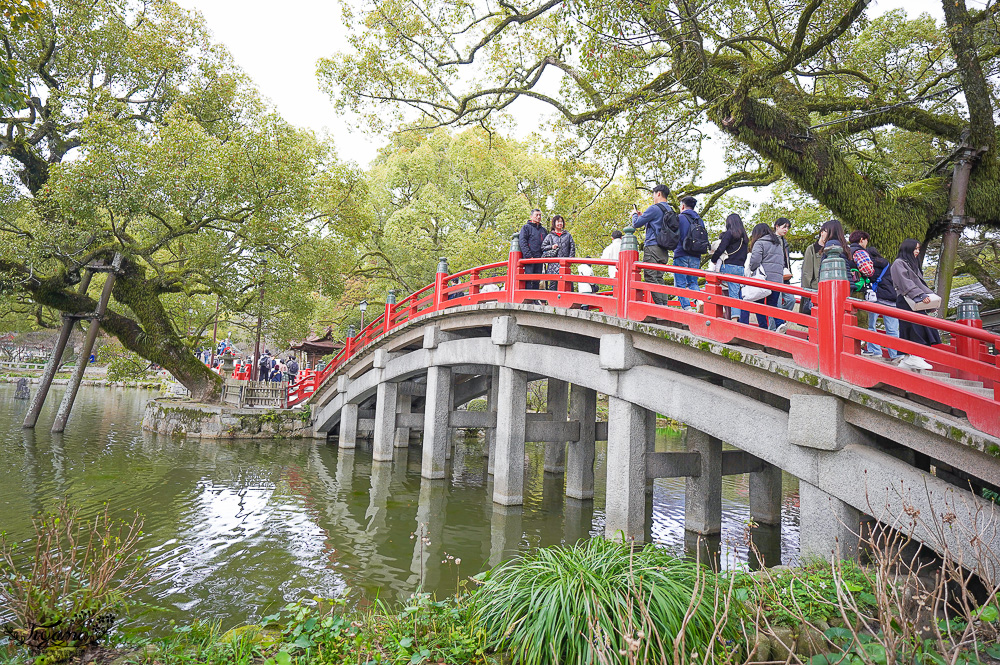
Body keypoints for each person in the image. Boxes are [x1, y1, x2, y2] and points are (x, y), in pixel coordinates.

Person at [891, 239, 940, 370]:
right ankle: (914, 356)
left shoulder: (911, 264)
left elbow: (920, 285)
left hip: (914, 299)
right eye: (915, 249)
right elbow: (906, 283)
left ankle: (909, 357)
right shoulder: (898, 263)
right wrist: (921, 295)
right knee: (913, 327)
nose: (917, 251)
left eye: (918, 249)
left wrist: (931, 299)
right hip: (907, 299)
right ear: (908, 249)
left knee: (916, 326)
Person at [851, 233, 900, 360]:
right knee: (893, 329)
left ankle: (875, 350)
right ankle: (895, 354)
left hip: (875, 298)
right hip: (891, 298)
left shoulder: (867, 264)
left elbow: (868, 274)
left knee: (871, 326)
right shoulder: (886, 264)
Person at [631, 184, 676, 306]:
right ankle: (664, 305)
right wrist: (643, 216)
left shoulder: (654, 208)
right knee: (659, 278)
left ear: (659, 193)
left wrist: (634, 215)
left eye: (654, 194)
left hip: (652, 247)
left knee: (650, 276)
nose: (653, 197)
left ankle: (661, 306)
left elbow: (636, 224)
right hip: (664, 249)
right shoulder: (670, 210)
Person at [746, 222, 787, 332]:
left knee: (758, 304)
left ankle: (763, 328)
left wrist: (751, 269)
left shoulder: (759, 243)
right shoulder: (778, 244)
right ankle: (779, 323)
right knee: (772, 304)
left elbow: (754, 261)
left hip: (763, 279)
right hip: (777, 280)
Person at [710, 213, 749, 321]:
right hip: (740, 268)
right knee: (734, 295)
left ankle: (703, 303)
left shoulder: (729, 233)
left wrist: (713, 259)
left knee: (710, 278)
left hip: (728, 267)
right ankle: (735, 319)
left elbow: (721, 248)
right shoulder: (745, 238)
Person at [674, 196, 707, 310]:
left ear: (682, 206)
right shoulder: (699, 220)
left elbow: (675, 235)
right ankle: (699, 300)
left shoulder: (680, 218)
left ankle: (687, 308)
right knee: (693, 282)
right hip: (696, 255)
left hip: (681, 253)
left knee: (680, 284)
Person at [541, 215, 576, 290]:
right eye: (558, 221)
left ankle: (568, 300)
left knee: (568, 284)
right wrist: (551, 246)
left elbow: (572, 247)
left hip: (565, 263)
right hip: (553, 264)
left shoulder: (568, 235)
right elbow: (543, 247)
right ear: (554, 223)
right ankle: (551, 301)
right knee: (553, 285)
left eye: (561, 222)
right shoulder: (550, 236)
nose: (560, 223)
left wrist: (570, 259)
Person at [518, 208, 546, 290]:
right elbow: (522, 241)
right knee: (529, 278)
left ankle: (535, 299)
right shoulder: (526, 228)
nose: (538, 217)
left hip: (540, 258)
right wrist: (528, 255)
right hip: (529, 258)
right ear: (531, 216)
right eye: (536, 215)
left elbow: (546, 243)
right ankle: (528, 298)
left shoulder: (543, 230)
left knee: (537, 279)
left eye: (540, 215)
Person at [774, 218, 796, 315]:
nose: (786, 230)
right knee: (776, 303)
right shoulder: (771, 240)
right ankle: (774, 328)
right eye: (784, 227)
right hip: (775, 275)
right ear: (777, 227)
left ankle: (781, 321)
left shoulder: (784, 242)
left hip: (785, 276)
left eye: (787, 227)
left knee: (791, 300)